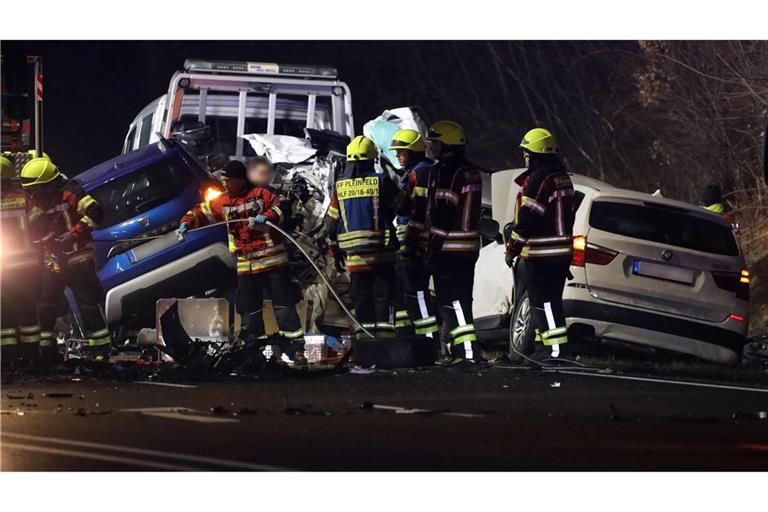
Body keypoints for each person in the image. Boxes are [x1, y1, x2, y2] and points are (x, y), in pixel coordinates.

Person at [178, 159, 305, 362]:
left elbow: (284, 206)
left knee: (284, 305)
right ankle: (255, 353)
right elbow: (201, 211)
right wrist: (186, 223)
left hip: (272, 260)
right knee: (248, 309)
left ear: (238, 180)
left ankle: (295, 351)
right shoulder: (223, 201)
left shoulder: (260, 194)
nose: (225, 184)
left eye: (228, 180)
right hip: (247, 264)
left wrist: (269, 216)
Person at [21, 156, 111, 363]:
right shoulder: (35, 202)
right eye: (28, 190)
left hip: (77, 258)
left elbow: (95, 212)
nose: (31, 195)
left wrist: (74, 234)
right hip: (52, 260)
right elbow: (29, 228)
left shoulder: (71, 193)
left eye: (35, 189)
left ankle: (101, 351)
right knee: (45, 304)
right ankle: (47, 352)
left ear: (49, 185)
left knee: (87, 303)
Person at [505, 128, 575, 358]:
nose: (524, 157)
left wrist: (512, 248)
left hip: (541, 254)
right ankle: (541, 350)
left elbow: (528, 218)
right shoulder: (562, 177)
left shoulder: (538, 179)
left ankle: (555, 352)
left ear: (535, 153)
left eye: (526, 152)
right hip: (560, 254)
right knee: (548, 303)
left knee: (543, 304)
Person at [325, 135, 405, 338]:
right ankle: (384, 347)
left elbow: (331, 225)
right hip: (382, 256)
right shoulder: (382, 182)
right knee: (382, 300)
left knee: (361, 301)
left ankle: (365, 348)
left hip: (356, 259)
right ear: (372, 160)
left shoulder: (340, 187)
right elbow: (404, 206)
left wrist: (334, 248)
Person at [420, 120, 483, 366]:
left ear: (446, 144)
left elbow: (444, 211)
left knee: (450, 302)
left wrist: (432, 246)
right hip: (468, 249)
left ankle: (466, 352)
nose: (432, 146)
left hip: (449, 249)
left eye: (435, 142)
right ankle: (465, 350)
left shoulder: (447, 171)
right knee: (462, 300)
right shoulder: (470, 171)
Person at [389, 129, 439, 339]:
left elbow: (417, 210)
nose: (398, 155)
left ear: (413, 152)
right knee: (404, 292)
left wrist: (410, 243)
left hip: (416, 242)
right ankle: (406, 336)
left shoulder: (421, 172)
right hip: (407, 242)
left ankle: (428, 339)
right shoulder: (412, 172)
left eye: (402, 152)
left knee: (417, 290)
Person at [1, 155, 43, 370]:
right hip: (21, 266)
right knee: (8, 312)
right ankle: (12, 356)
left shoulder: (22, 199)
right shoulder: (24, 199)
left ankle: (28, 356)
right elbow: (39, 220)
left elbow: (39, 222)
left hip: (20, 267)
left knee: (24, 311)